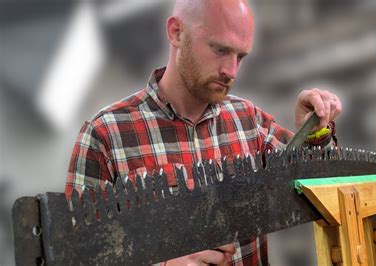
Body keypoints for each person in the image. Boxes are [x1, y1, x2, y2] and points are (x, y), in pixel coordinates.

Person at [65, 0, 342, 265]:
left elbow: (320, 184)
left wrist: (315, 131)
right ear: (176, 32)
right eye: (220, 50)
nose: (230, 71)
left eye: (240, 56)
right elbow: (73, 253)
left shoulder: (249, 121)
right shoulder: (105, 135)